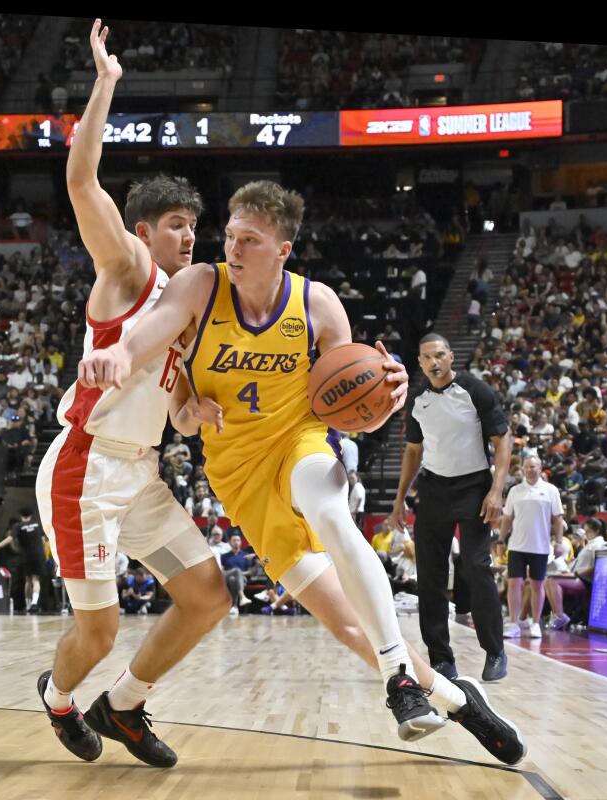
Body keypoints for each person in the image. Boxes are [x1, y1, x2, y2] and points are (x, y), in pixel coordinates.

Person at [78, 177, 524, 765]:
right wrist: (118, 354)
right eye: (231, 236)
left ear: (283, 249)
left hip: (300, 439)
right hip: (239, 475)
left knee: (331, 513)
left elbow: (358, 405)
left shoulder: (316, 304)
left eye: (250, 240)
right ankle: (459, 702)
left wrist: (386, 398)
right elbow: (146, 338)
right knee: (345, 623)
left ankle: (399, 680)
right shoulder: (198, 286)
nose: (233, 249)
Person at [34, 19, 231, 772]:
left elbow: (175, 409)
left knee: (210, 595)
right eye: (177, 227)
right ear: (145, 231)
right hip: (85, 469)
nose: (189, 239)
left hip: (141, 470)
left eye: (195, 227)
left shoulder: (189, 314)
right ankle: (57, 698)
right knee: (100, 631)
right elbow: (82, 181)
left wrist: (195, 412)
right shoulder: (128, 272)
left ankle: (123, 704)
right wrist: (106, 83)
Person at [388, 333, 512, 685]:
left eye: (440, 355)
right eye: (427, 357)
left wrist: (496, 489)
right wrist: (399, 499)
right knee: (430, 576)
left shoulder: (475, 391)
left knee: (476, 566)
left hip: (474, 488)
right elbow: (413, 451)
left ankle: (495, 651)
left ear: (451, 356)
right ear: (420, 363)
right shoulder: (417, 400)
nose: (434, 362)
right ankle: (441, 659)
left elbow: (503, 439)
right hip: (433, 489)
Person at [499, 454, 570, 637]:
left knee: (538, 586)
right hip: (516, 546)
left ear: (540, 469)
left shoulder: (551, 490)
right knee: (515, 583)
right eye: (527, 467)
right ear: (523, 469)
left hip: (540, 546)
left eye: (533, 466)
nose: (530, 470)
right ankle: (514, 623)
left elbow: (557, 518)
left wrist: (559, 542)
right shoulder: (515, 491)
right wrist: (500, 539)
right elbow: (507, 518)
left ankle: (536, 623)